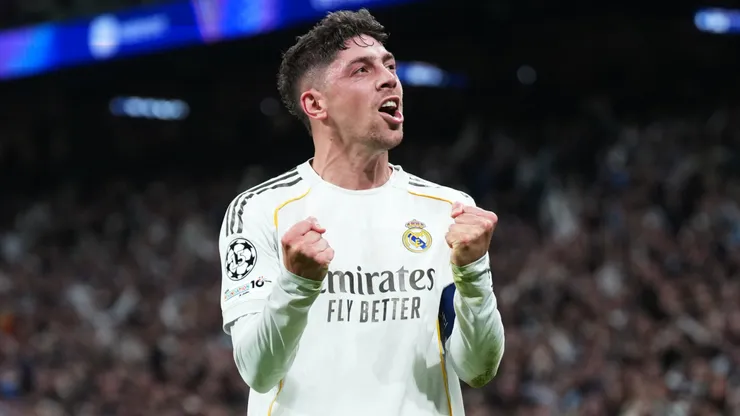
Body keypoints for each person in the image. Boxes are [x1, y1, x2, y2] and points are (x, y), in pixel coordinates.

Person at [219, 9, 505, 416]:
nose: (389, 79)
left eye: (390, 66)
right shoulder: (260, 210)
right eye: (361, 70)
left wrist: (473, 276)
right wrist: (297, 284)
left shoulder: (450, 211)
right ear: (315, 103)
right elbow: (258, 371)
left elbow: (478, 370)